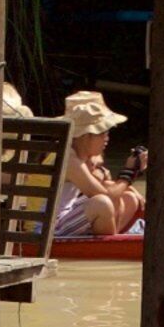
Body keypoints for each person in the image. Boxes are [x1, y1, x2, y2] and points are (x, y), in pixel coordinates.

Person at [54, 90, 145, 239]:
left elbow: (106, 187)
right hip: (51, 227)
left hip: (67, 217)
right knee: (102, 203)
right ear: (85, 135)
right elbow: (103, 195)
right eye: (102, 133)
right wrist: (129, 173)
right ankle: (109, 245)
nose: (107, 138)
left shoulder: (81, 154)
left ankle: (112, 237)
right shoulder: (68, 159)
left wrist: (130, 186)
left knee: (129, 198)